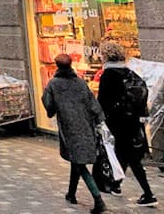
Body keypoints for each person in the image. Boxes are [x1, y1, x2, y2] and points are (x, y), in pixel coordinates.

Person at [42, 54, 107, 214]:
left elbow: (49, 107)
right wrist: (100, 122)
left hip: (69, 128)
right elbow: (93, 104)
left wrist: (47, 99)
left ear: (57, 66)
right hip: (86, 125)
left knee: (79, 163)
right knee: (76, 160)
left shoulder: (53, 84)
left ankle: (98, 200)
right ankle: (71, 194)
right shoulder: (79, 82)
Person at [96, 42, 157, 206]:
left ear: (106, 56)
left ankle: (149, 194)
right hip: (133, 121)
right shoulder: (130, 72)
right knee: (123, 153)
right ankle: (116, 185)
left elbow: (102, 101)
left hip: (118, 122)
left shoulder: (108, 75)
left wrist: (99, 120)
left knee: (130, 157)